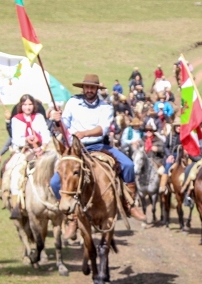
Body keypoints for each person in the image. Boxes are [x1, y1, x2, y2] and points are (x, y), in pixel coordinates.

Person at [51, 74, 147, 231]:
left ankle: (129, 203)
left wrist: (84, 133)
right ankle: (72, 216)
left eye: (92, 87)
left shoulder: (106, 106)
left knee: (128, 165)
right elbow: (63, 126)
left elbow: (103, 129)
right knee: (54, 182)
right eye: (87, 87)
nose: (89, 90)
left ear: (97, 89)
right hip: (76, 149)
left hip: (98, 146)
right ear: (83, 88)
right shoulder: (72, 103)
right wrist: (56, 121)